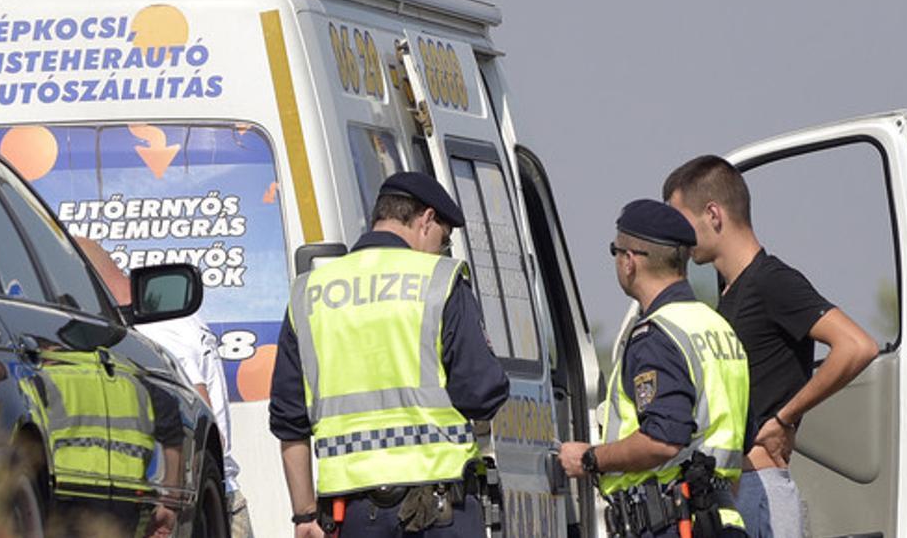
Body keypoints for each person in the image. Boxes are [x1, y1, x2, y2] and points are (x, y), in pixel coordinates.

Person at [269, 171, 510, 538]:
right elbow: (481, 393)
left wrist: (303, 517)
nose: (440, 252)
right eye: (443, 241)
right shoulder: (439, 281)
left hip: (348, 514)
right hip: (439, 509)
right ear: (427, 219)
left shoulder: (308, 294)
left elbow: (289, 419)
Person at [664, 155, 879, 538]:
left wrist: (784, 418)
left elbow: (857, 346)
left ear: (714, 214)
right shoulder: (729, 294)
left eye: (682, 224)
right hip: (734, 494)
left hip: (759, 489)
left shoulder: (770, 281)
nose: (679, 239)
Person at [559, 199, 750, 538]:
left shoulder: (658, 336)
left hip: (672, 523)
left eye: (615, 251)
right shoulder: (718, 328)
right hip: (721, 518)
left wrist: (591, 459)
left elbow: (663, 440)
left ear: (630, 261)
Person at [76, 237, 254, 538]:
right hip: (208, 499)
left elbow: (197, 423)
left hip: (190, 508)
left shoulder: (153, 328)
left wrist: (169, 502)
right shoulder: (165, 316)